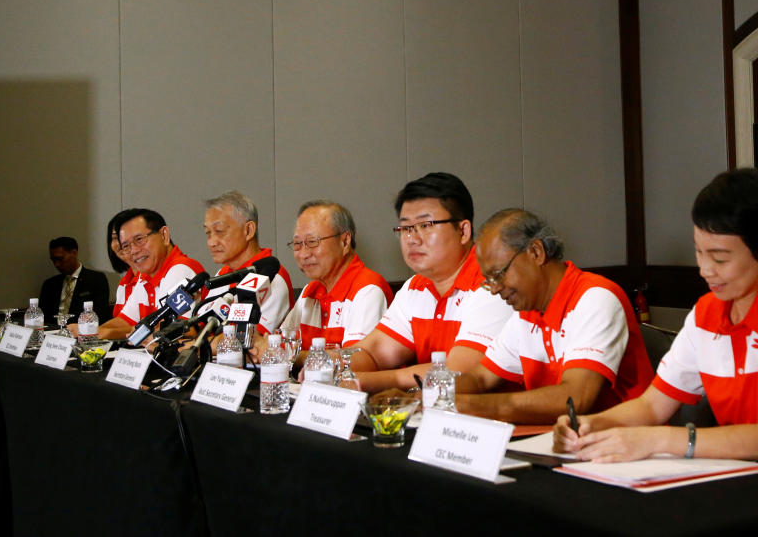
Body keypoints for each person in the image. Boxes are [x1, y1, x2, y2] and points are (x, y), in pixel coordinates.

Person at [552, 168, 758, 474]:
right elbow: (652, 405)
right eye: (699, 252)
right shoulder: (707, 312)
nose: (705, 269)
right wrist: (594, 423)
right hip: (746, 474)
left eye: (720, 258)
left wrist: (658, 438)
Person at [454, 208, 654, 424]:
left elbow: (576, 399)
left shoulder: (595, 298)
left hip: (624, 443)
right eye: (488, 280)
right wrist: (429, 395)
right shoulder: (526, 312)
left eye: (498, 274)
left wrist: (471, 406)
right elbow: (480, 378)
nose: (494, 289)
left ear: (536, 252)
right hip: (562, 439)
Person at [343, 173, 513, 393]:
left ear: (463, 231)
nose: (412, 239)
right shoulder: (416, 286)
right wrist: (326, 367)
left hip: (498, 421)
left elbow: (456, 373)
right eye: (405, 228)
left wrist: (362, 381)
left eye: (425, 225)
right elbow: (373, 352)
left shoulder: (493, 284)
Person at [255, 201, 391, 364]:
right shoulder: (310, 291)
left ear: (345, 241)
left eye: (312, 242)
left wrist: (283, 354)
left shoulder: (368, 290)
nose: (304, 254)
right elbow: (281, 344)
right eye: (297, 244)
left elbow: (354, 363)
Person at [74, 208, 205, 342]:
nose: (134, 251)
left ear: (164, 235)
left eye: (139, 239)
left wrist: (103, 333)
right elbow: (125, 320)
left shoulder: (181, 269)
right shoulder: (146, 275)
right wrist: (91, 332)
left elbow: (172, 330)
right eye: (126, 246)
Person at [200, 190, 293, 334]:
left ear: (248, 230)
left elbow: (246, 340)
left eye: (219, 231)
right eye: (208, 233)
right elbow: (200, 328)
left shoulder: (273, 277)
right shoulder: (221, 274)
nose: (211, 242)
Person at [38, 236, 111, 324]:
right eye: (53, 260)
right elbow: (42, 317)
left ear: (74, 253)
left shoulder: (96, 279)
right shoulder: (50, 284)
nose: (57, 264)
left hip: (82, 331)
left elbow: (100, 314)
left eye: (60, 259)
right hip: (52, 332)